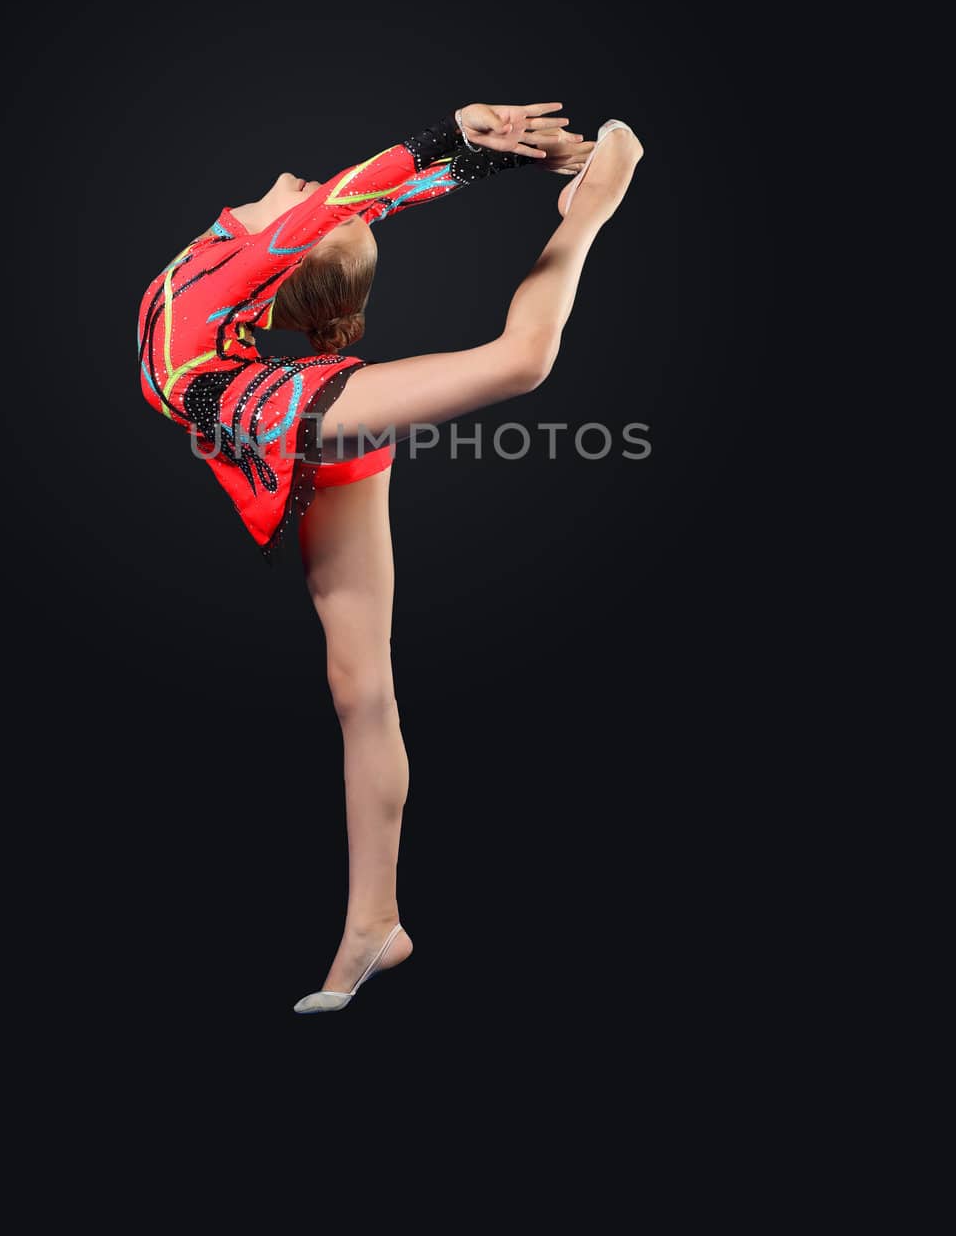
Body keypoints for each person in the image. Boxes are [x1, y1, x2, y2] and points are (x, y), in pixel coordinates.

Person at [136, 103, 644, 1011]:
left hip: (276, 405)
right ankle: (377, 923)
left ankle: (593, 211)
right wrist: (478, 150)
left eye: (309, 224)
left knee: (522, 362)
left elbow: (346, 204)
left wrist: (460, 143)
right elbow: (339, 207)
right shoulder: (229, 253)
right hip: (269, 415)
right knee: (358, 686)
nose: (305, 186)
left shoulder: (241, 260)